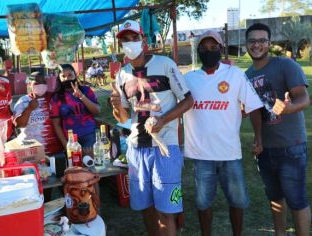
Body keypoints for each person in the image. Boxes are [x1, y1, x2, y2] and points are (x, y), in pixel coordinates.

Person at [110, 19, 193, 236]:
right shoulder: (122, 74)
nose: (130, 43)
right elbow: (125, 117)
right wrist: (117, 108)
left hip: (165, 146)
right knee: (145, 207)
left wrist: (163, 120)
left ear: (143, 40)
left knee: (166, 210)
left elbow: (187, 100)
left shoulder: (165, 64)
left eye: (134, 38)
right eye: (125, 40)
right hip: (137, 148)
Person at [183, 30, 263, 236]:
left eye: (213, 47)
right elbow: (174, 110)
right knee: (203, 203)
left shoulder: (235, 75)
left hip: (230, 153)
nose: (208, 51)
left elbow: (253, 106)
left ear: (221, 49)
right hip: (201, 155)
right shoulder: (188, 79)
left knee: (238, 201)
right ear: (198, 51)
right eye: (204, 48)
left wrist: (258, 138)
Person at [245, 23, 311, 236]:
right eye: (252, 40)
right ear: (247, 44)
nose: (257, 45)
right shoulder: (246, 75)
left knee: (296, 200)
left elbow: (304, 97)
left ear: (269, 43)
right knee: (275, 198)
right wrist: (257, 139)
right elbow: (254, 112)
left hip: (291, 146)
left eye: (262, 40)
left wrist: (290, 107)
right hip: (265, 149)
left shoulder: (285, 65)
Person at [50, 64, 100, 152]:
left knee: (88, 160)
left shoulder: (86, 90)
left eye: (70, 75)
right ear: (59, 79)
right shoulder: (56, 98)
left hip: (89, 135)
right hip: (70, 139)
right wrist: (65, 145)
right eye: (63, 76)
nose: (67, 79)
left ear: (75, 75)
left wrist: (81, 97)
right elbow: (56, 125)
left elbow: (97, 111)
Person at [13, 71, 62, 155]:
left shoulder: (53, 98)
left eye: (43, 82)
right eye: (37, 82)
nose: (41, 85)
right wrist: (29, 109)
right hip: (32, 151)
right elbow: (18, 125)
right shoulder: (23, 101)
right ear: (29, 84)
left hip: (54, 150)